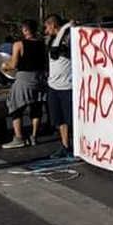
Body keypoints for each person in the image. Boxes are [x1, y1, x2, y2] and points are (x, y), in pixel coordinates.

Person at [1, 19, 47, 149]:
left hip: (24, 78)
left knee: (14, 106)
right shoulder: (42, 44)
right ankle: (34, 136)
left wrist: (5, 66)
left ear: (25, 30)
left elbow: (14, 64)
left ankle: (19, 137)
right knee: (36, 107)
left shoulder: (19, 45)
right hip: (39, 78)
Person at [44, 14, 74, 158]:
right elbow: (54, 50)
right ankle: (65, 144)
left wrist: (67, 26)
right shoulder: (52, 40)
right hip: (54, 85)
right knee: (59, 119)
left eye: (47, 26)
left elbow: (61, 50)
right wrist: (65, 26)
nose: (46, 30)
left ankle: (74, 145)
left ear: (53, 25)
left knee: (70, 118)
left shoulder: (68, 37)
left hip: (67, 85)